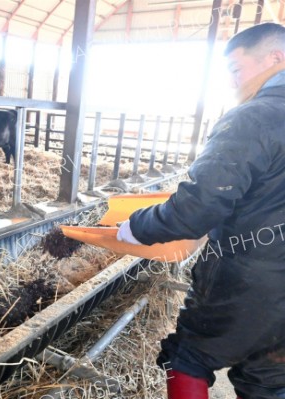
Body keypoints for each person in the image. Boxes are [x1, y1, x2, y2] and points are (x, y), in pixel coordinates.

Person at [116, 23, 285, 399]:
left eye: (237, 71)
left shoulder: (252, 117)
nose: (233, 83)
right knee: (269, 378)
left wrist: (136, 226)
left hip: (248, 280)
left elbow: (200, 205)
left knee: (189, 355)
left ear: (276, 58)